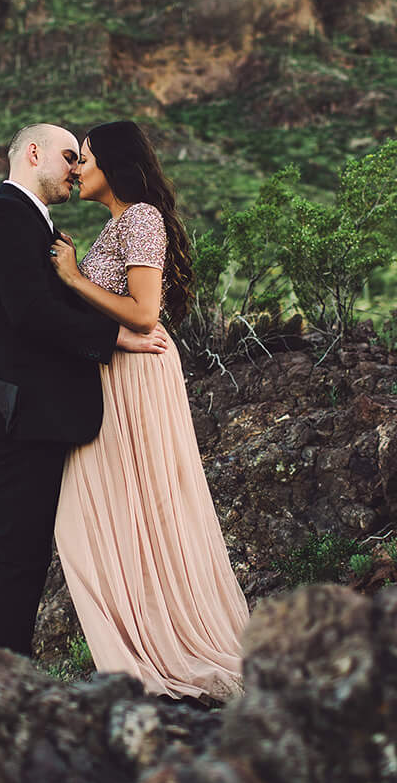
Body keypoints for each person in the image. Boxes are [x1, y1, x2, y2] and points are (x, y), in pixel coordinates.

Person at [49, 120, 250, 700]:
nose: (76, 169)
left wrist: (70, 277)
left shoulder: (140, 218)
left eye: (83, 158)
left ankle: (164, 641)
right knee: (116, 508)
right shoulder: (118, 224)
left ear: (113, 163)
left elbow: (142, 313)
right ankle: (142, 636)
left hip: (135, 371)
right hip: (114, 371)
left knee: (143, 504)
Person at [0, 123, 169, 656]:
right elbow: (30, 313)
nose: (76, 169)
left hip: (44, 414)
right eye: (69, 156)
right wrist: (116, 336)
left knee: (25, 556)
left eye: (84, 158)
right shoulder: (6, 215)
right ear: (34, 154)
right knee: (16, 555)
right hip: (17, 414)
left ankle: (6, 677)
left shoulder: (35, 223)